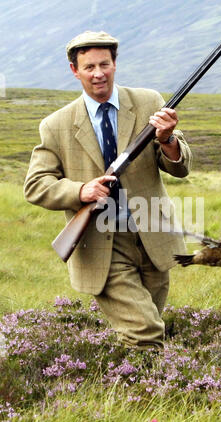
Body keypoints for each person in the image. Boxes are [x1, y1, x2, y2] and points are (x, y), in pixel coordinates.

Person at [24, 31, 192, 350]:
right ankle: (150, 395)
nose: (98, 73)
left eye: (105, 64)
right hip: (100, 240)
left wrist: (168, 139)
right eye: (89, 67)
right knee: (146, 329)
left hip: (151, 235)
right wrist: (81, 191)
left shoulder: (149, 103)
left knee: (143, 329)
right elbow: (35, 186)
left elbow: (180, 167)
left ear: (115, 63)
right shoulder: (55, 125)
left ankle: (124, 392)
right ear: (74, 70)